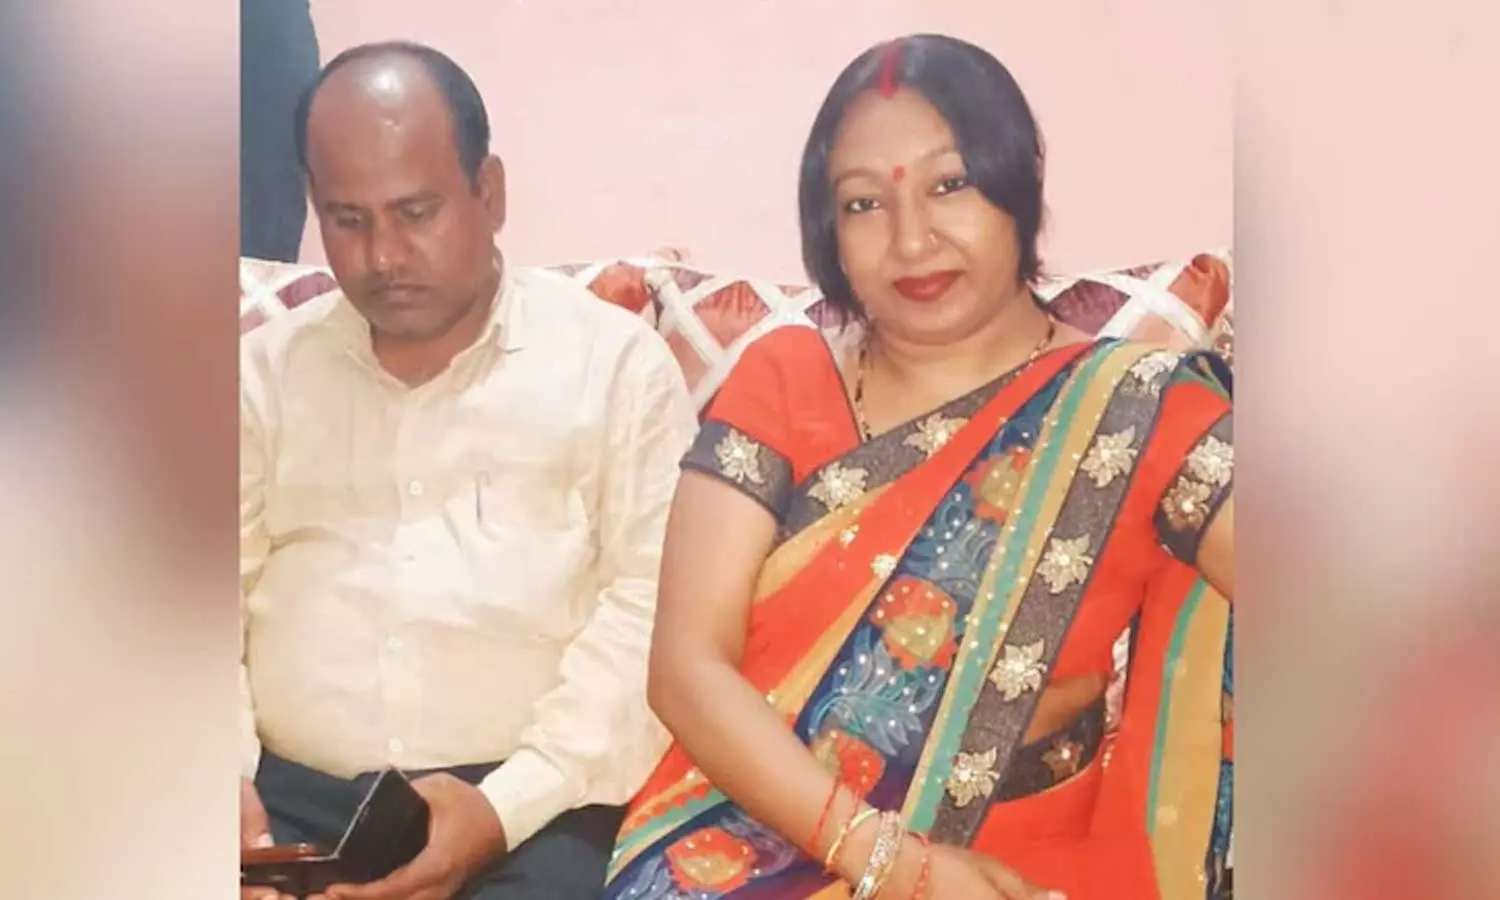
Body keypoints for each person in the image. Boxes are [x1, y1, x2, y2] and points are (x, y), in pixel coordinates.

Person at [603, 34, 1234, 900]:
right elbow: (686, 668)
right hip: (759, 842)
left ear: (1021, 183)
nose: (911, 241)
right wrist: (898, 867)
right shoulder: (784, 378)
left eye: (949, 185)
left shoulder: (1132, 407)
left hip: (1023, 868)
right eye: (864, 204)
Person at [238, 42, 698, 900]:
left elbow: (652, 620)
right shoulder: (261, 375)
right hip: (278, 802)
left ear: (490, 191)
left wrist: (503, 809)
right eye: (347, 219)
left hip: (530, 812)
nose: (383, 255)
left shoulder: (612, 368)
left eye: (415, 212)